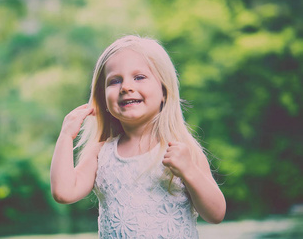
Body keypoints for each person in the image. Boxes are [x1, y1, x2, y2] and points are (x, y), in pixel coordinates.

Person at [50, 35, 226, 238]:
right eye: (114, 81)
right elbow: (63, 192)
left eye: (139, 77)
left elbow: (216, 214)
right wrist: (65, 136)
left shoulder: (180, 149)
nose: (126, 87)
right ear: (103, 99)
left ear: (164, 91)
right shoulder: (100, 154)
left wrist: (189, 171)